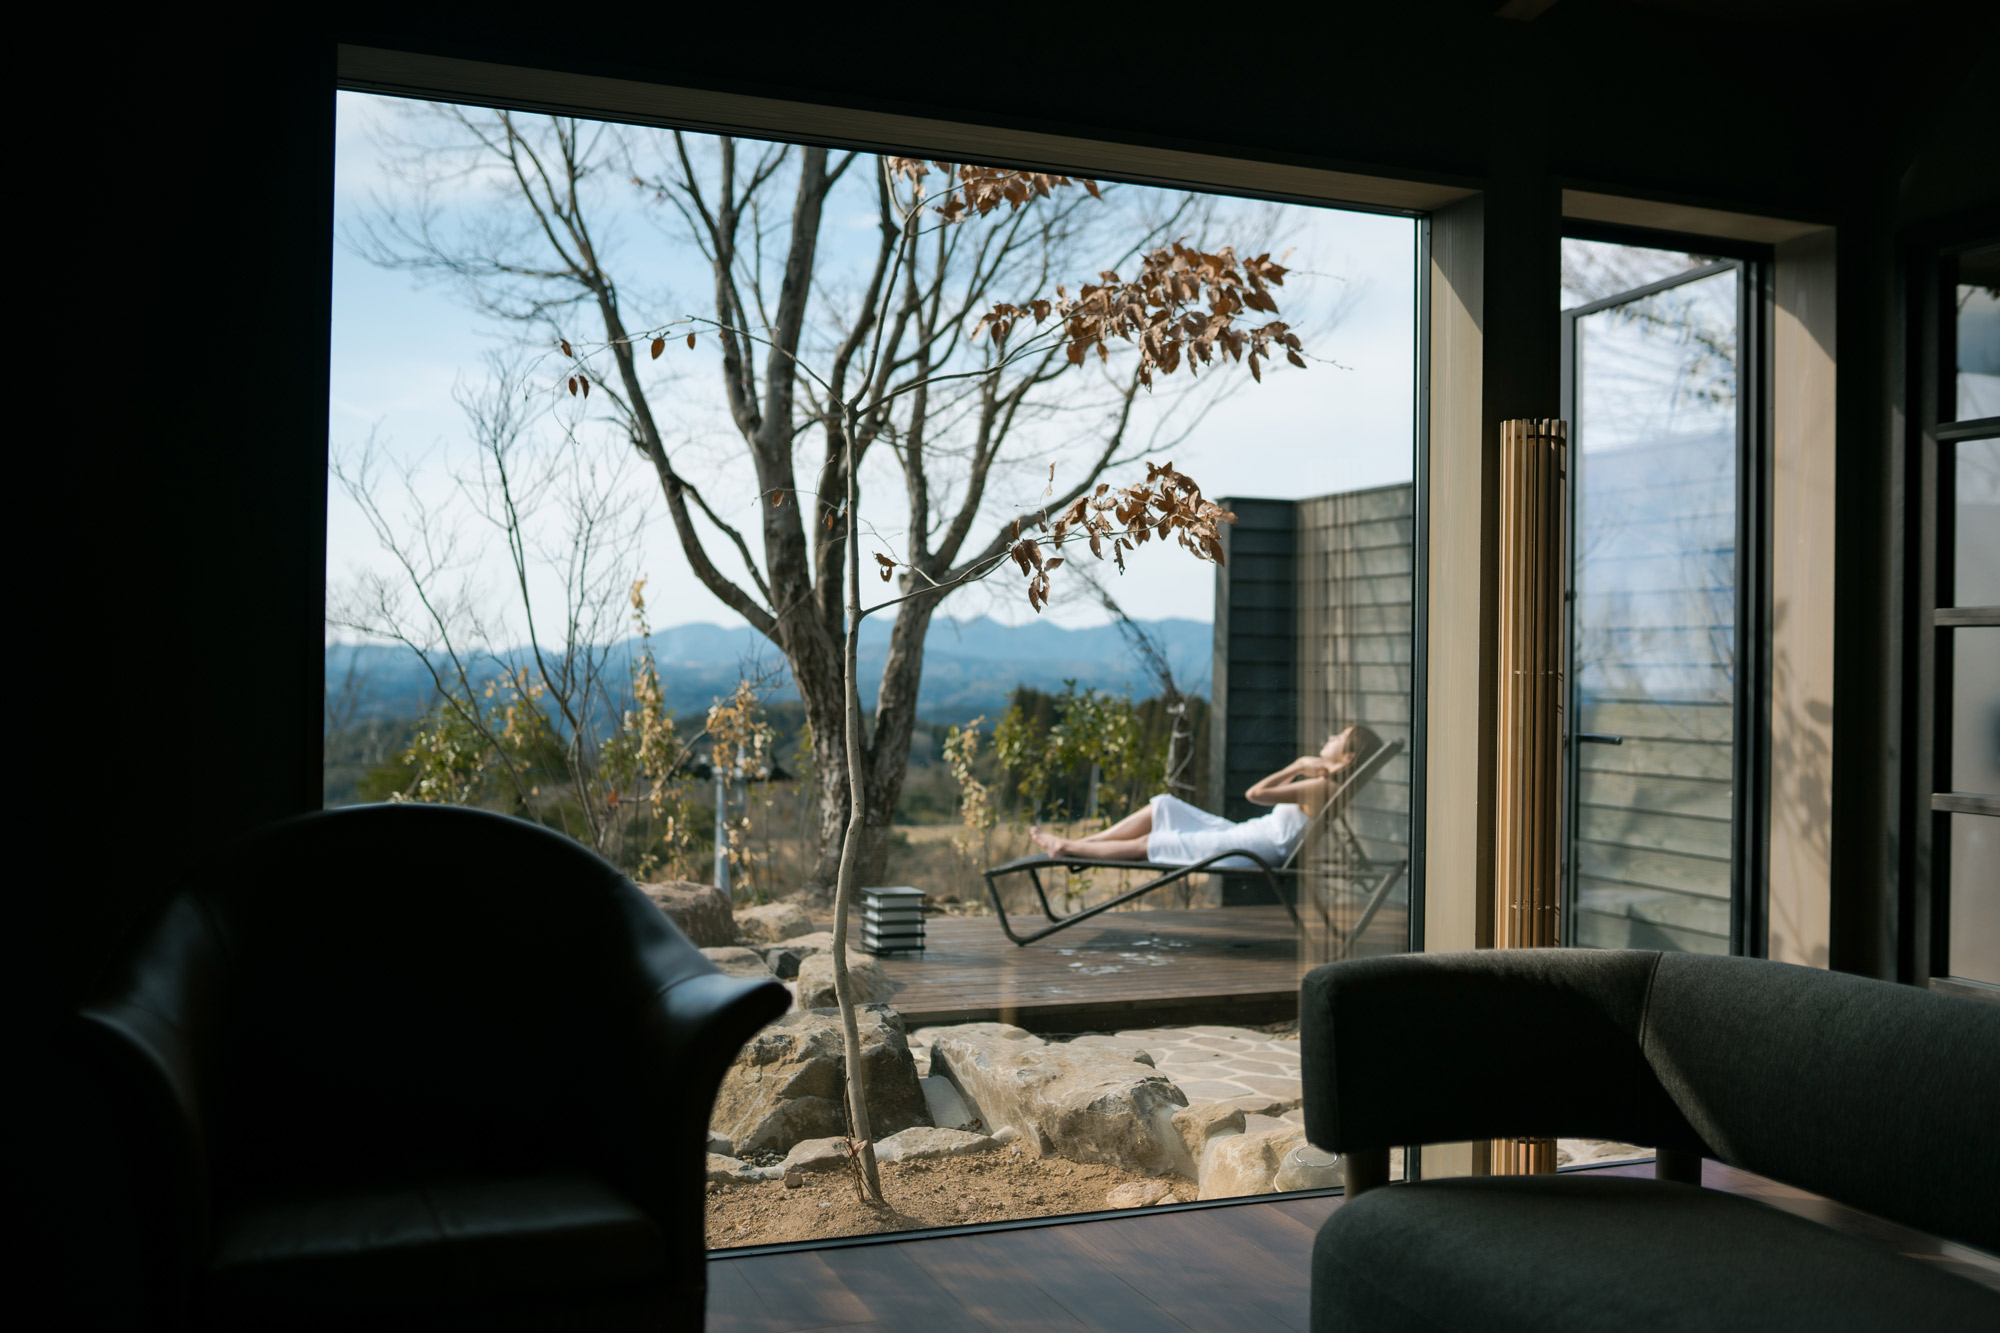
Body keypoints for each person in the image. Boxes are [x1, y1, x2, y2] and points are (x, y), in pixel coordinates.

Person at [1028, 723, 1383, 867]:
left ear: (1348, 757)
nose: (1332, 735)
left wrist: (1298, 764)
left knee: (1156, 840)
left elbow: (1256, 794)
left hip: (1249, 849)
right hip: (1245, 836)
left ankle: (1068, 849)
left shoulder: (1321, 786)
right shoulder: (1330, 786)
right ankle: (1086, 846)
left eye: (1339, 736)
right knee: (1163, 807)